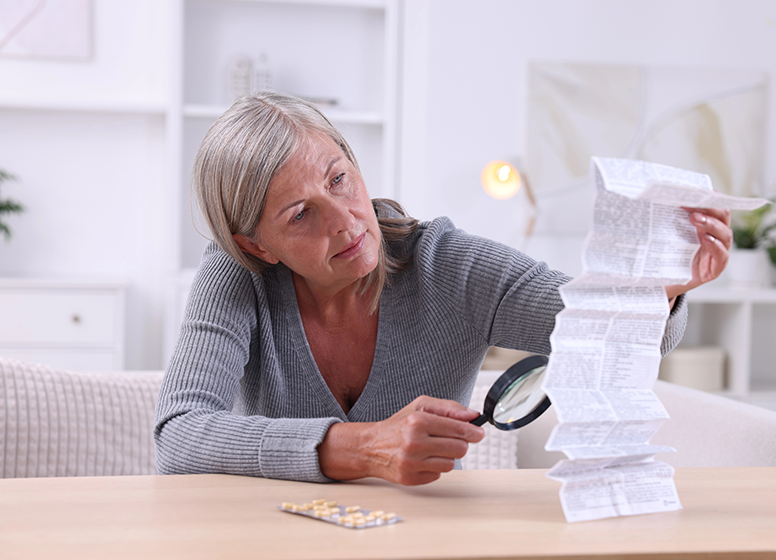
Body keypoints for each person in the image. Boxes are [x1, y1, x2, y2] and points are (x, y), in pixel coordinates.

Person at [154, 92, 732, 486]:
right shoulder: (238, 276)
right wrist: (361, 448)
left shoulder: (450, 267)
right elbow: (177, 437)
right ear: (257, 245)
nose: (347, 221)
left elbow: (614, 329)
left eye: (340, 179)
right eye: (302, 213)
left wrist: (664, 286)